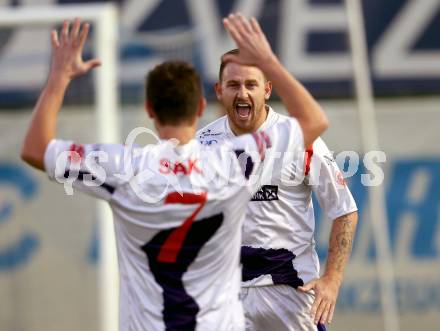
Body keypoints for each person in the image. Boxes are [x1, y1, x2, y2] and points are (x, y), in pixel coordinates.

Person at [20, 15, 328, 331]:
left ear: (149, 108)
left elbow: (34, 148)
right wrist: (267, 61)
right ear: (200, 108)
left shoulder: (124, 168)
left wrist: (59, 77)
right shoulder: (232, 163)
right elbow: (314, 121)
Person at [197, 16, 358, 331]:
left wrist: (332, 280)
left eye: (251, 84)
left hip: (290, 289)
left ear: (267, 89)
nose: (242, 93)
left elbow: (345, 211)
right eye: (233, 85)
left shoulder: (299, 136)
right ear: (219, 91)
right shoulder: (202, 144)